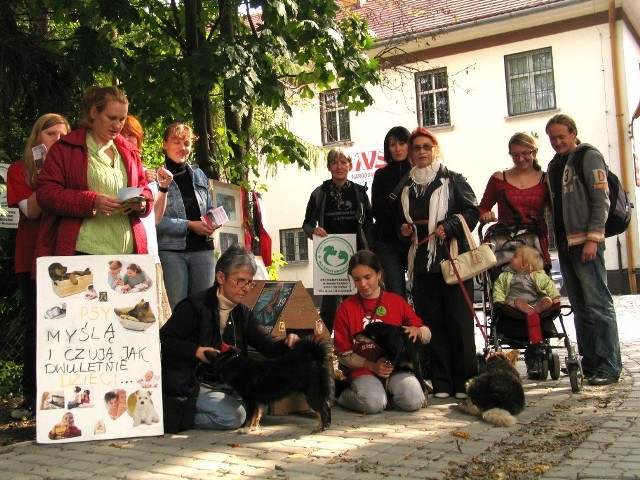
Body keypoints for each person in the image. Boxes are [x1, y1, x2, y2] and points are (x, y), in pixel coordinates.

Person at [160, 243, 301, 430]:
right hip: (193, 381)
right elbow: (164, 340)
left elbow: (266, 344)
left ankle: (211, 409)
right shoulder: (193, 307)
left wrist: (287, 343)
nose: (246, 288)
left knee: (262, 404)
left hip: (225, 380)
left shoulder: (241, 311)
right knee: (235, 416)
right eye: (241, 281)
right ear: (220, 277)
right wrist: (197, 352)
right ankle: (175, 417)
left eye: (250, 282)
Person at [399, 127, 479, 399]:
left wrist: (450, 225)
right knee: (432, 323)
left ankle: (465, 380)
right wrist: (406, 230)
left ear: (435, 149)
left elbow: (472, 212)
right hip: (422, 263)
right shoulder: (407, 187)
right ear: (410, 155)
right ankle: (442, 382)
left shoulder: (453, 180)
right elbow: (408, 220)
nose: (421, 152)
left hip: (452, 258)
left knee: (459, 322)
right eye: (416, 148)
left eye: (426, 147)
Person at [545, 113, 622, 386]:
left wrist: (593, 238)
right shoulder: (555, 165)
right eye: (552, 138)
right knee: (580, 307)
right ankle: (590, 363)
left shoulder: (588, 156)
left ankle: (608, 366)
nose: (556, 142)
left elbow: (601, 200)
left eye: (561, 137)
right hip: (567, 246)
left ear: (573, 133)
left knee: (598, 304)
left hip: (586, 243)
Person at [35, 85, 153, 258]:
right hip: (82, 251)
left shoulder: (129, 151)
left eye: (122, 119)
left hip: (127, 252)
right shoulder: (65, 149)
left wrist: (142, 203)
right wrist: (92, 201)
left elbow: (145, 189)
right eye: (111, 117)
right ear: (93, 112)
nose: (117, 125)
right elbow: (46, 195)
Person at [7, 113, 70, 420]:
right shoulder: (21, 171)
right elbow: (31, 211)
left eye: (63, 135)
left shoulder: (71, 171)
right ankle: (33, 396)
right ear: (37, 138)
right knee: (37, 327)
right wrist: (46, 176)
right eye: (51, 135)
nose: (58, 141)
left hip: (66, 258)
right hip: (31, 259)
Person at [333, 250, 431, 414]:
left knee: (414, 399)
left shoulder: (396, 302)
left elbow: (427, 334)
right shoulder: (345, 308)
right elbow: (343, 354)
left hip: (396, 370)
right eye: (356, 280)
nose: (363, 284)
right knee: (372, 403)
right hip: (363, 371)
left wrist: (418, 331)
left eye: (367, 277)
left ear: (379, 274)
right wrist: (371, 365)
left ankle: (385, 398)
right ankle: (341, 395)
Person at [302, 147, 373, 332]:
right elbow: (307, 225)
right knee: (329, 310)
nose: (339, 166)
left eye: (343, 162)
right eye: (334, 162)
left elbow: (369, 225)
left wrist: (371, 256)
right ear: (329, 166)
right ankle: (324, 351)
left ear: (350, 165)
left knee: (358, 305)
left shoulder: (359, 192)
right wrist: (314, 231)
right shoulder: (319, 193)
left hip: (357, 256)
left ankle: (358, 347)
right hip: (329, 262)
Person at [156, 123, 217, 310]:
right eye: (176, 142)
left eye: (187, 143)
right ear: (165, 144)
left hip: (203, 251)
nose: (183, 148)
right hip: (171, 253)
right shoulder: (154, 177)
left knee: (203, 310)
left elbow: (208, 207)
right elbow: (153, 221)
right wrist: (189, 225)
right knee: (178, 311)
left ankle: (202, 341)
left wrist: (213, 220)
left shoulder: (199, 175)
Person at [121, 115, 173, 324]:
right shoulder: (112, 173)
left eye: (134, 136)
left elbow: (156, 218)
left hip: (150, 256)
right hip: (126, 255)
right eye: (126, 134)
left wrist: (163, 188)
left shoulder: (148, 175)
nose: (129, 140)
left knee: (155, 321)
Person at [478, 132, 551, 264]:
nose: (521, 159)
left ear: (534, 152)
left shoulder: (546, 180)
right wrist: (485, 215)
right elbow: (482, 207)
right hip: (506, 242)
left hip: (535, 242)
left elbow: (555, 211)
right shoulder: (499, 178)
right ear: (510, 154)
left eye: (525, 153)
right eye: (515, 155)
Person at [371, 126, 412, 297]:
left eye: (402, 143)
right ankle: (398, 325)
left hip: (415, 239)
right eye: (393, 144)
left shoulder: (420, 172)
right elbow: (378, 210)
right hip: (387, 241)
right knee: (395, 292)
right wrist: (399, 225)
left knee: (422, 292)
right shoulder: (381, 175)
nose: (398, 148)